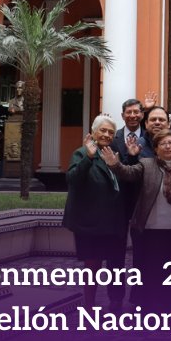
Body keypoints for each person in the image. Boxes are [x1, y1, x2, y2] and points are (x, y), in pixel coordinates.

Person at [103, 130, 171, 308]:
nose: (168, 146)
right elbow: (128, 173)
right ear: (156, 149)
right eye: (163, 144)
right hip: (152, 228)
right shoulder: (146, 164)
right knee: (152, 271)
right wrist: (115, 164)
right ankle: (152, 307)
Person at [63, 115, 128, 310]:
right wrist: (88, 158)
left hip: (114, 220)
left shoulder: (113, 154)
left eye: (110, 132)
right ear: (93, 132)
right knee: (93, 266)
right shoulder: (82, 153)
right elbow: (73, 180)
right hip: (90, 223)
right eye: (103, 130)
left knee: (116, 264)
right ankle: (89, 304)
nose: (107, 135)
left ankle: (115, 301)